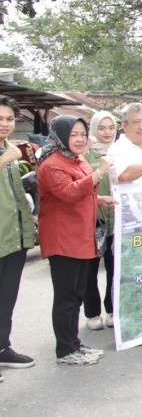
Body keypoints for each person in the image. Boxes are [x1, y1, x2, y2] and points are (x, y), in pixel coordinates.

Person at [38, 116, 115, 366]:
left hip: (82, 237)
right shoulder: (52, 164)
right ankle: (65, 349)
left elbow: (82, 189)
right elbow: (69, 193)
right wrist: (100, 172)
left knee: (78, 294)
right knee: (67, 297)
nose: (80, 139)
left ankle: (74, 344)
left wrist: (99, 198)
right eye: (73, 135)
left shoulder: (76, 159)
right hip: (63, 240)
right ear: (60, 137)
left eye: (82, 134)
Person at [0, 95, 37, 377]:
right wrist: (5, 159)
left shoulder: (10, 149)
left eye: (10, 119)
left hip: (14, 237)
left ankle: (2, 347)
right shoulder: (9, 153)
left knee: (7, 297)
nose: (5, 124)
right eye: (0, 119)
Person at [83, 111, 117, 331]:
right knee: (90, 268)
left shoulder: (120, 151)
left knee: (115, 268)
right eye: (101, 128)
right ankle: (92, 313)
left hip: (118, 218)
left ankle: (113, 309)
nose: (106, 133)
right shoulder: (84, 154)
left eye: (111, 128)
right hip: (93, 220)